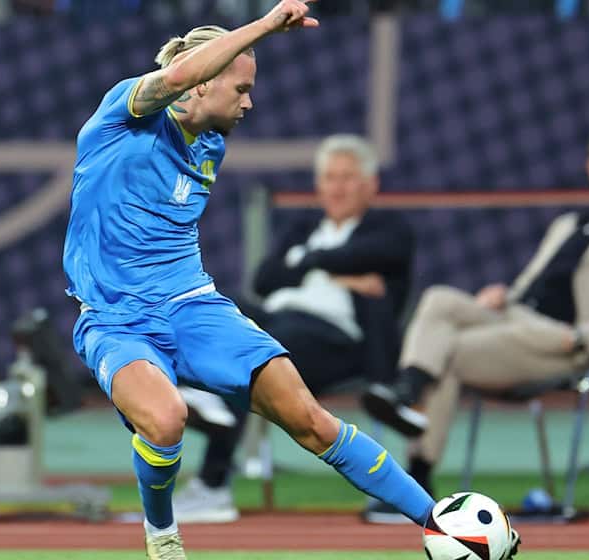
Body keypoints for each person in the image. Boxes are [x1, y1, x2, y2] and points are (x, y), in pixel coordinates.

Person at [61, 4, 443, 558]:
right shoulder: (123, 116)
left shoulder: (211, 143)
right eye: (240, 87)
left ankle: (438, 521)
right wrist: (265, 25)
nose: (249, 101)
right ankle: (163, 533)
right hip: (115, 319)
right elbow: (175, 78)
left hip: (193, 308)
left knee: (311, 421)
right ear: (203, 81)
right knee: (167, 420)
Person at [360, 119, 589, 523]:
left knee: (450, 351)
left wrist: (583, 335)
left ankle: (417, 478)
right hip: (516, 320)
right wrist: (504, 296)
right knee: (439, 299)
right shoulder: (568, 223)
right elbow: (532, 283)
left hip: (569, 342)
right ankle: (407, 390)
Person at [172, 134, 415, 523]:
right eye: (330, 178)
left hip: (337, 341)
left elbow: (370, 254)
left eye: (348, 177)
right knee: (217, 307)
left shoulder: (390, 228)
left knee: (253, 354)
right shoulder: (305, 227)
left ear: (370, 185)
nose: (337, 187)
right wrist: (332, 270)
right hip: (276, 318)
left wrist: (306, 262)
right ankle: (199, 408)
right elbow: (266, 278)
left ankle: (213, 483)